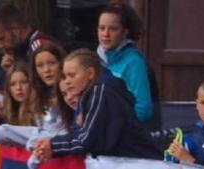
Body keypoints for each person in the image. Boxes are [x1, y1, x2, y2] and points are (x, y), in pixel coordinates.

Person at [33, 49, 161, 162]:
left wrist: (53, 146)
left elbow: (87, 141)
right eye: (65, 76)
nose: (67, 82)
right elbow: (78, 135)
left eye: (72, 75)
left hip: (142, 165)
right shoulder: (91, 94)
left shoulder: (101, 90)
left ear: (90, 74)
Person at [96, 2, 153, 123]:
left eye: (113, 29)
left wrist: (112, 123)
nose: (105, 34)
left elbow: (144, 109)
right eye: (102, 28)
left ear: (125, 32)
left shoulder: (134, 62)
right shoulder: (95, 60)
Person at [0, 2, 53, 71]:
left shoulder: (39, 45)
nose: (0, 46)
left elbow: (44, 77)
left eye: (2, 39)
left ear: (15, 30)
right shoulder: (21, 51)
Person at [31, 42, 68, 130]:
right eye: (40, 65)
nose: (46, 70)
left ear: (62, 63)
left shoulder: (72, 95)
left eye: (52, 63)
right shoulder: (37, 97)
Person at [3, 61, 36, 127]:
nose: (18, 88)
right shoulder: (8, 112)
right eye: (13, 84)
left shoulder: (38, 112)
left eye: (24, 82)